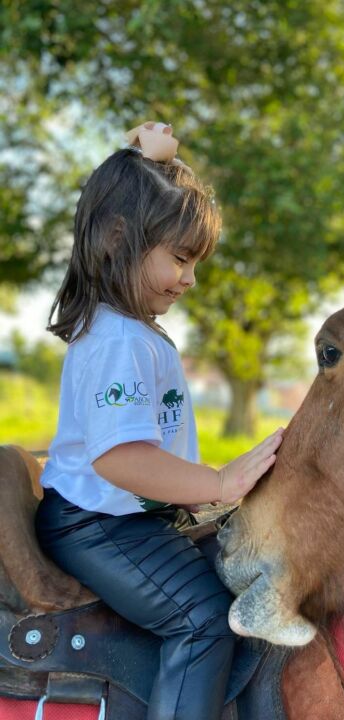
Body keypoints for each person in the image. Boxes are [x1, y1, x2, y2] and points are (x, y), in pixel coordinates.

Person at [35, 121, 283, 720]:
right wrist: (219, 485)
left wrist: (156, 162)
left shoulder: (134, 332)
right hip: (96, 525)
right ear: (119, 238)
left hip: (123, 518)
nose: (190, 279)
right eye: (179, 258)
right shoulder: (117, 341)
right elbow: (121, 459)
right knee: (201, 623)